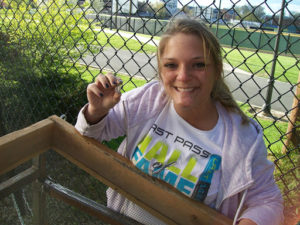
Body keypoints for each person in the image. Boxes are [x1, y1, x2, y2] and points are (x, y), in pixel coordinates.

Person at [75, 18, 284, 225]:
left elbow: (267, 200)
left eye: (198, 64)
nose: (183, 76)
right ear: (161, 70)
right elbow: (87, 136)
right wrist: (96, 111)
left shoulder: (241, 137)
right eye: (171, 65)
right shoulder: (149, 100)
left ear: (216, 70)